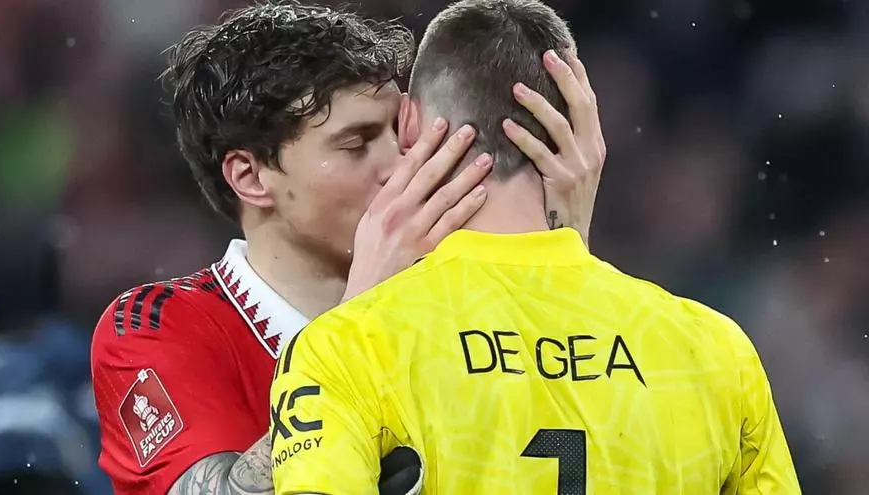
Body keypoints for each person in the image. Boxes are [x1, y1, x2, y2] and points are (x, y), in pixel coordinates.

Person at [267, 0, 802, 494]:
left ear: (409, 124)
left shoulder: (348, 347)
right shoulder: (713, 351)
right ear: (579, 132)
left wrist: (358, 312)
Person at [90, 2, 605, 494]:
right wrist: (360, 316)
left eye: (400, 134)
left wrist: (565, 241)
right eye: (356, 145)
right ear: (250, 176)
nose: (399, 166)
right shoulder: (155, 328)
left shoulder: (452, 302)